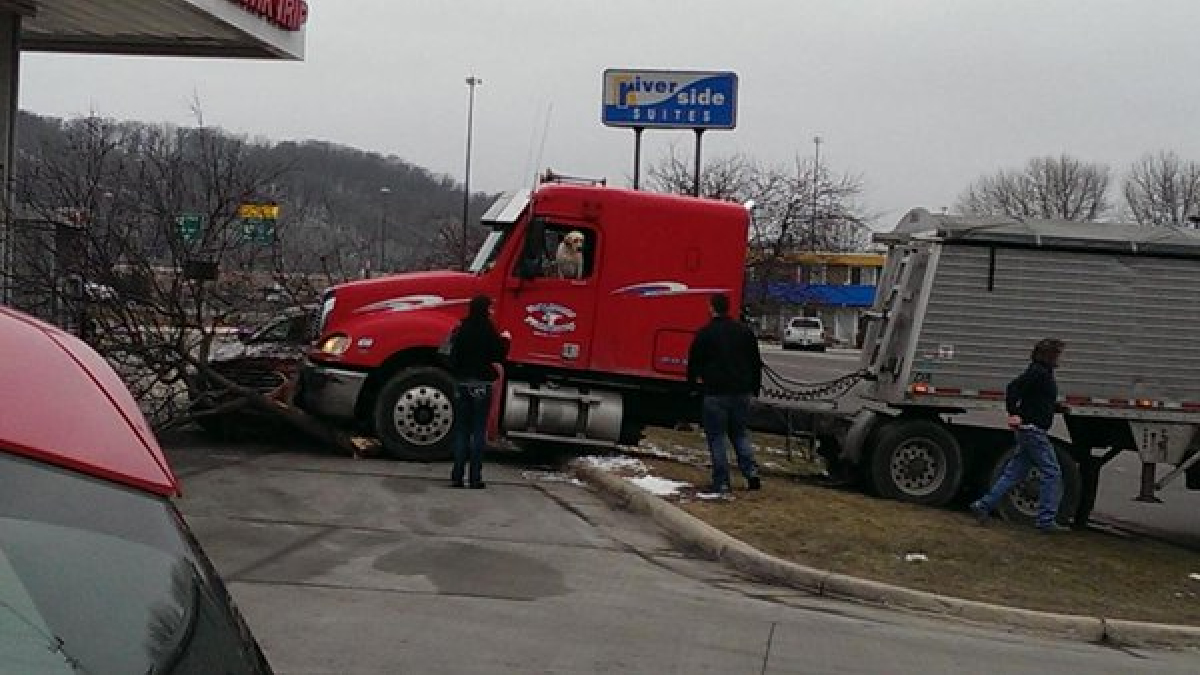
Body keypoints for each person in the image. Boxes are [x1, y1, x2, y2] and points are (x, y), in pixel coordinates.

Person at [970, 338, 1069, 533]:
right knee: (1052, 472)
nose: (1059, 358)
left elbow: (1037, 399)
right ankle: (1046, 519)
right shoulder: (1038, 373)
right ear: (1048, 355)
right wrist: (1013, 413)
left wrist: (1056, 407)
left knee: (1013, 473)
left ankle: (983, 505)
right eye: (1057, 354)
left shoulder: (1041, 372)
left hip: (1028, 429)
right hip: (1033, 430)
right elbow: (1013, 388)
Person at [686, 293, 764, 494]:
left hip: (715, 393)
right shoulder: (744, 332)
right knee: (739, 434)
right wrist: (755, 387)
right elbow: (755, 362)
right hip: (741, 392)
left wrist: (693, 386)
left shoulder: (706, 333)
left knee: (717, 437)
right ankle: (751, 472)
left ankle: (721, 481)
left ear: (712, 308)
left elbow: (694, 361)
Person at [446, 295, 510, 489]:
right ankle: (475, 477)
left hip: (462, 383)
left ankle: (457, 476)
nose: (491, 311)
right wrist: (506, 340)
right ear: (484, 309)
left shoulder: (461, 329)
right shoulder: (488, 329)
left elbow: (449, 354)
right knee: (478, 430)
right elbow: (497, 354)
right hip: (482, 384)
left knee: (461, 430)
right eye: (490, 308)